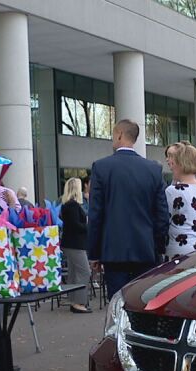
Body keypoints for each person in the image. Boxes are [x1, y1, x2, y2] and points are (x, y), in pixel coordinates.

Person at [86, 118, 169, 298]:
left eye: (113, 135)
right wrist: (158, 248)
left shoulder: (101, 167)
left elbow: (95, 214)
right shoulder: (153, 169)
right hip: (146, 250)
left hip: (113, 253)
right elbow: (162, 214)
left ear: (120, 135)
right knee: (143, 304)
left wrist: (94, 253)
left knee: (118, 307)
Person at [163, 143, 196, 261]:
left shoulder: (173, 191)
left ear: (181, 164)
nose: (171, 166)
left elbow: (164, 221)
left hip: (181, 252)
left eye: (174, 162)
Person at [59, 177, 92, 313]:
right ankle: (79, 302)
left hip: (70, 243)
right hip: (76, 244)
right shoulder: (73, 205)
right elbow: (76, 226)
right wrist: (88, 225)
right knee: (84, 271)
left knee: (74, 272)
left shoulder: (66, 205)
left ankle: (74, 300)